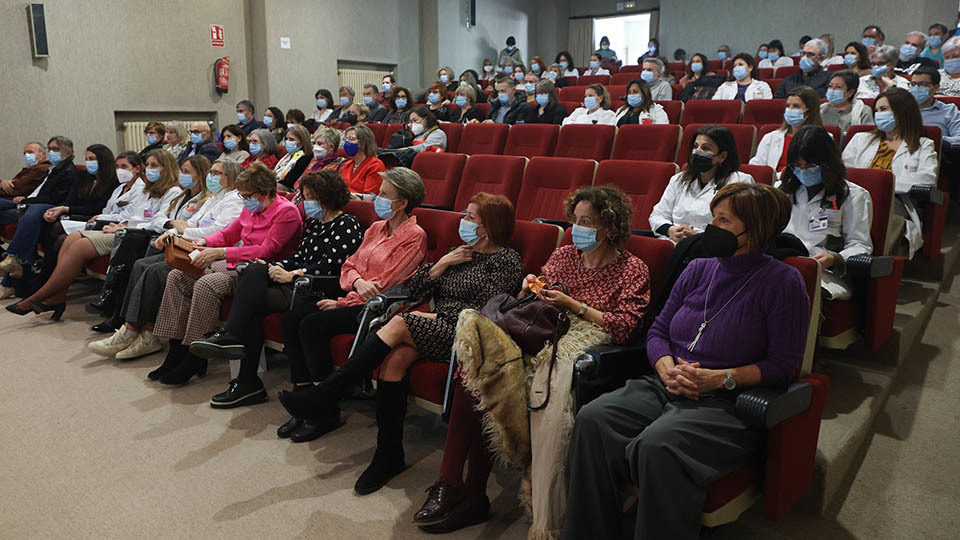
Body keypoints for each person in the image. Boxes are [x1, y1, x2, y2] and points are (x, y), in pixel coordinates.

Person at [563, 183, 810, 540]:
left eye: (723, 220)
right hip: (665, 382)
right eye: (713, 217)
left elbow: (784, 365)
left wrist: (719, 378)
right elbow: (658, 330)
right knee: (593, 419)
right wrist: (664, 366)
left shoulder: (783, 281)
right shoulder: (697, 268)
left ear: (754, 230)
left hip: (724, 403)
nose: (711, 228)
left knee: (657, 445)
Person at [410, 185, 650, 536]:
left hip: (584, 347)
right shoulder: (565, 254)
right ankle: (454, 484)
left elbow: (626, 327)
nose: (578, 228)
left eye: (588, 222)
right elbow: (536, 296)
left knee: (505, 385)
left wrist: (575, 306)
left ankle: (481, 495)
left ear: (610, 227)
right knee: (475, 374)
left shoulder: (632, 268)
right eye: (576, 220)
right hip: (538, 331)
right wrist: (531, 287)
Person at [284, 190, 525, 496]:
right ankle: (388, 455)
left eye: (470, 216)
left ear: (489, 225)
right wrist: (441, 265)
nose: (462, 220)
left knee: (398, 322)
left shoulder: (506, 261)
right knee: (393, 362)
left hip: (465, 333)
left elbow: (483, 310)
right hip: (433, 324)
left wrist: (433, 317)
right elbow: (416, 287)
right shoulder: (458, 251)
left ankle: (329, 392)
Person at [182, 170, 361, 407]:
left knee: (251, 295)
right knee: (255, 275)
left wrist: (292, 273)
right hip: (294, 281)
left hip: (315, 286)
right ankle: (246, 376)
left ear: (326, 197)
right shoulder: (315, 224)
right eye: (304, 196)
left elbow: (333, 265)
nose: (305, 203)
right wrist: (276, 266)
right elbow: (298, 256)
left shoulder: (347, 224)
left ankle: (243, 369)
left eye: (309, 197)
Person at [275, 168, 427, 443]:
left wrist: (347, 298)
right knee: (293, 318)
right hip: (353, 297)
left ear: (402, 203)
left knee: (312, 325)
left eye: (383, 194)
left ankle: (325, 410)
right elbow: (349, 265)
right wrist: (354, 285)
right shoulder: (375, 228)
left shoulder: (414, 235)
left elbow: (385, 283)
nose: (377, 199)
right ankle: (302, 394)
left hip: (379, 308)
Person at [145, 162, 303, 385]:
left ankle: (194, 354)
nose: (244, 199)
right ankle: (175, 350)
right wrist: (203, 242)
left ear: (266, 192)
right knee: (177, 276)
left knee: (207, 284)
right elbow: (228, 234)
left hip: (263, 272)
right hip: (237, 264)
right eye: (242, 194)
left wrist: (220, 253)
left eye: (248, 195)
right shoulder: (251, 206)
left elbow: (266, 250)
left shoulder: (286, 212)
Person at [87, 159, 243, 361]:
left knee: (158, 270)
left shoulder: (235, 200)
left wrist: (181, 231)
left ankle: (133, 330)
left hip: (210, 250)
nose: (211, 176)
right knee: (142, 263)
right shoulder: (215, 197)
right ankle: (138, 329)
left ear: (230, 177)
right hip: (194, 243)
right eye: (211, 172)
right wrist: (172, 232)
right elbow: (190, 222)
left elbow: (218, 231)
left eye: (216, 173)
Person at [5, 149, 182, 318]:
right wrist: (120, 223)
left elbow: (159, 222)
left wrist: (122, 225)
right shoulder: (147, 190)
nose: (149, 169)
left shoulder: (172, 192)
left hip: (135, 234)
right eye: (148, 165)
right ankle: (57, 296)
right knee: (71, 238)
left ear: (166, 168)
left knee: (78, 246)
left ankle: (36, 298)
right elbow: (132, 214)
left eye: (154, 166)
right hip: (120, 227)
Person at [0, 145, 117, 299]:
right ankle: (26, 276)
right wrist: (61, 209)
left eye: (93, 159)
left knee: (49, 227)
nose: (89, 162)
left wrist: (64, 209)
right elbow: (69, 200)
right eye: (87, 159)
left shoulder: (112, 181)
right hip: (70, 214)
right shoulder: (83, 176)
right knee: (39, 223)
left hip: (88, 218)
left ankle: (37, 279)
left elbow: (97, 208)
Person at [779, 126, 872, 300]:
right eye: (797, 166)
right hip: (783, 263)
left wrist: (834, 258)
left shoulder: (853, 195)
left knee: (791, 290)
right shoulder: (782, 190)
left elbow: (860, 245)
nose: (804, 171)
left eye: (811, 165)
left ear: (828, 163)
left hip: (824, 273)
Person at [842, 88, 938, 258]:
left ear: (902, 111)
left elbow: (927, 179)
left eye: (883, 109)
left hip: (895, 201)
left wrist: (883, 185)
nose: (878, 114)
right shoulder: (860, 138)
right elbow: (844, 171)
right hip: (854, 196)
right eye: (877, 110)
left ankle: (868, 262)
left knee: (878, 216)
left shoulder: (924, 145)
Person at [650, 125, 755, 241]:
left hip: (712, 246)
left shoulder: (739, 182)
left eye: (705, 148)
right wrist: (670, 230)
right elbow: (657, 215)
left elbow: (739, 226)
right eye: (695, 146)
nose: (697, 152)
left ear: (722, 156)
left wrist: (699, 237)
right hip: (673, 242)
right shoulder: (678, 179)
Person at [0, 136, 80, 227]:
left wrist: (25, 199)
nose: (51, 152)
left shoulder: (61, 170)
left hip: (33, 205)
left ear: (68, 153)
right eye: (49, 149)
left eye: (55, 149)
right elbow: (37, 191)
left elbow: (54, 198)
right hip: (27, 201)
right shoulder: (52, 169)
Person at [910, 66, 960, 190]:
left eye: (923, 84)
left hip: (936, 156)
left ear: (936, 87)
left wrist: (936, 139)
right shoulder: (900, 110)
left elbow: (958, 139)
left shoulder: (949, 110)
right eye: (914, 84)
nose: (917, 88)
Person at [751, 86, 824, 170]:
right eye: (788, 106)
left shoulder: (824, 138)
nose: (790, 109)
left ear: (809, 111)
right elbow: (756, 168)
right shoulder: (770, 137)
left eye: (796, 106)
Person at [339, 125, 386, 195]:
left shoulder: (375, 165)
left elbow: (370, 196)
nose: (347, 143)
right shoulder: (347, 165)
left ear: (364, 143)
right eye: (346, 139)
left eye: (351, 139)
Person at [274, 125, 314, 189]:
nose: (287, 142)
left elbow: (289, 182)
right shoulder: (287, 156)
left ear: (302, 141)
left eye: (291, 139)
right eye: (286, 139)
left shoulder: (306, 158)